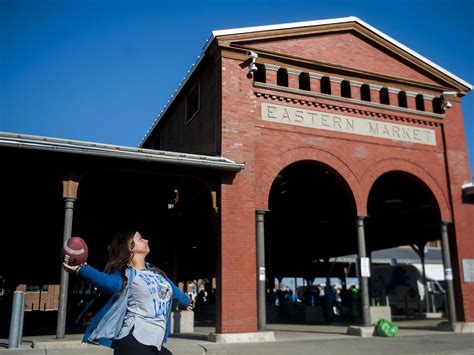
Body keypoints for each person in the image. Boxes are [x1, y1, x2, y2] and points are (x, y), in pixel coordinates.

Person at [63, 228, 191, 355]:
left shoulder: (157, 273)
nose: (146, 240)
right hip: (133, 341)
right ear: (130, 247)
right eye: (140, 238)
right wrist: (81, 270)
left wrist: (186, 301)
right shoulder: (126, 275)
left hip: (153, 343)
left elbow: (173, 290)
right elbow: (107, 282)